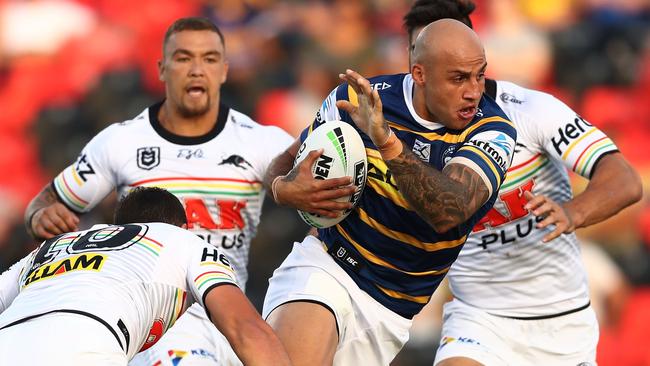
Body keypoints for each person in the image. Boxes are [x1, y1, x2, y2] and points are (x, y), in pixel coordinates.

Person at [22, 17, 293, 366]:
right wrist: (41, 216)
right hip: (159, 315)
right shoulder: (120, 141)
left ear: (224, 70)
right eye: (183, 58)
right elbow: (44, 204)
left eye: (209, 59)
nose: (197, 70)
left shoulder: (262, 140)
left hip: (230, 310)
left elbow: (308, 194)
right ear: (162, 68)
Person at [261, 19, 517, 365]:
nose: (473, 91)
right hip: (328, 265)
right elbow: (288, 160)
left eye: (479, 75)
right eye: (458, 78)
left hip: (393, 308)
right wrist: (283, 189)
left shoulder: (492, 130)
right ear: (420, 74)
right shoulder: (357, 99)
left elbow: (448, 211)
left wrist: (385, 140)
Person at [402, 1, 643, 365]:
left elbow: (624, 178)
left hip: (561, 322)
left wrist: (572, 212)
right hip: (477, 319)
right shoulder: (394, 132)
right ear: (415, 66)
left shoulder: (531, 110)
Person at [0, 187, 291, 365]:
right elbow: (245, 328)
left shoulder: (52, 247)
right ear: (182, 226)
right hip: (88, 345)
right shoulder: (181, 240)